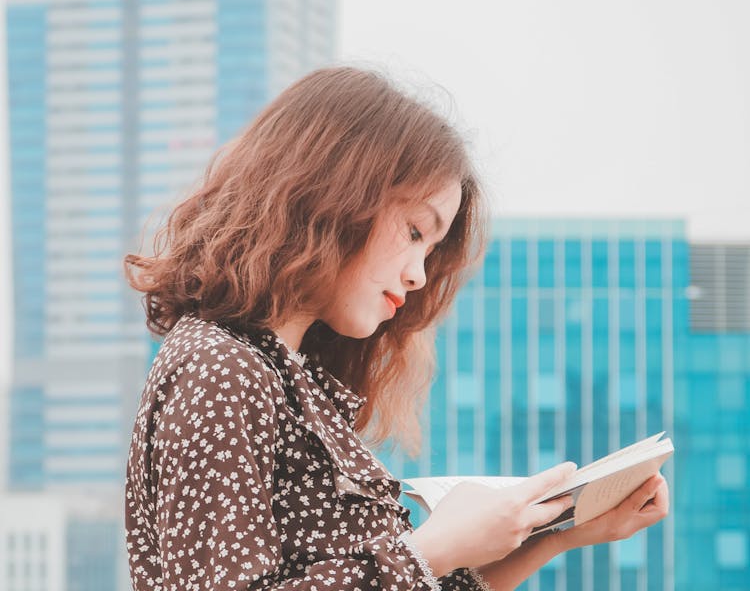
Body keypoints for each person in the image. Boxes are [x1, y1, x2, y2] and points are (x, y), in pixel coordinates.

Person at [124, 66, 669, 591]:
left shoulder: (288, 380)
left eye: (431, 250)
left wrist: (554, 536)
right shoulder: (220, 368)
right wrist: (433, 548)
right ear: (329, 194)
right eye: (414, 231)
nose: (418, 275)